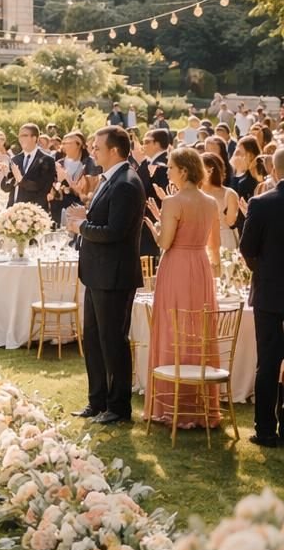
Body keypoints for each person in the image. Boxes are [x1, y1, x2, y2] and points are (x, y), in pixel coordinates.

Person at [64, 126, 145, 425]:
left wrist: (81, 227)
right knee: (94, 340)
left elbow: (115, 231)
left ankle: (118, 407)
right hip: (97, 273)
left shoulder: (126, 183)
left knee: (113, 342)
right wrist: (85, 217)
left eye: (98, 147)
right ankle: (96, 401)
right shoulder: (109, 179)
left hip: (114, 276)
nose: (93, 151)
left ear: (114, 150)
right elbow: (105, 219)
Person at [143, 146, 220, 430]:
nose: (168, 172)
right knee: (198, 328)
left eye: (171, 168)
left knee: (172, 327)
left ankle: (170, 403)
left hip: (176, 267)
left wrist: (155, 228)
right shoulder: (210, 202)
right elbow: (214, 245)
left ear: (184, 171)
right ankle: (198, 404)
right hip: (200, 266)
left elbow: (165, 243)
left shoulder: (173, 202)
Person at [239, 149, 284, 447]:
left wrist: (262, 270)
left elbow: (247, 248)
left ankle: (265, 430)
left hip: (269, 292)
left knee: (267, 361)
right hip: (269, 289)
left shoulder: (261, 203)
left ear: (274, 171)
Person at [1, 124, 58, 212]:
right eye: (19, 136)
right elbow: (5, 188)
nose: (20, 139)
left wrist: (21, 180)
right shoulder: (15, 159)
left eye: (24, 136)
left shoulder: (47, 160)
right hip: (13, 211)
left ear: (34, 138)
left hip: (35, 213)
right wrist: (6, 175)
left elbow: (42, 187)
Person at [136, 128, 172, 261]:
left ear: (157, 144)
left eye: (147, 142)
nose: (143, 145)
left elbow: (151, 189)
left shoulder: (165, 163)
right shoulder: (147, 162)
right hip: (147, 221)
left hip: (157, 218)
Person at [202, 153, 240, 252]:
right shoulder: (195, 193)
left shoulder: (229, 194)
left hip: (224, 241)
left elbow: (231, 222)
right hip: (201, 240)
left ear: (211, 171)